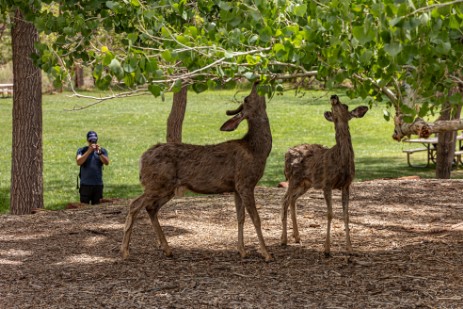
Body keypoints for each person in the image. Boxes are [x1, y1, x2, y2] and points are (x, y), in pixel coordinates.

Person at [76, 131, 109, 204]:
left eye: (94, 140)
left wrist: (99, 153)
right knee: (84, 207)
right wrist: (88, 151)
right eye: (91, 140)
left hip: (98, 185)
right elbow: (79, 162)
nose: (93, 142)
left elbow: (106, 162)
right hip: (85, 185)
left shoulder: (102, 151)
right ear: (87, 140)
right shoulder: (82, 150)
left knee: (97, 208)